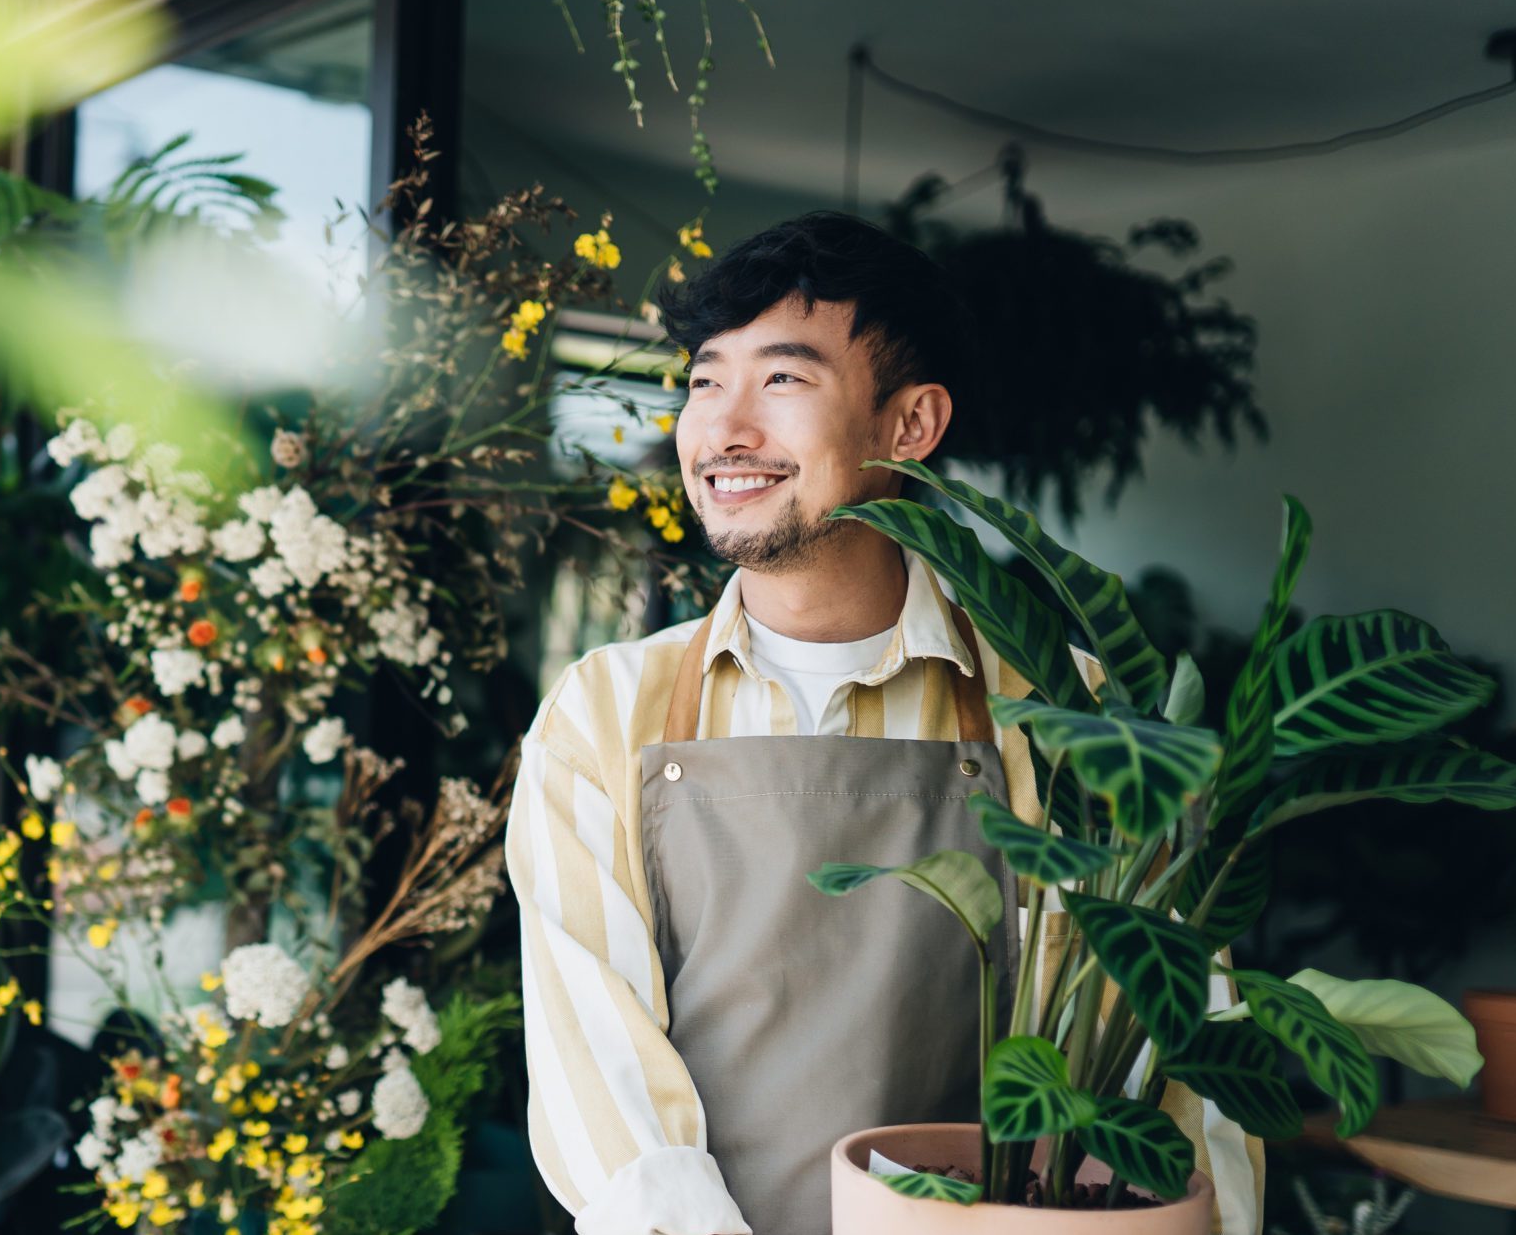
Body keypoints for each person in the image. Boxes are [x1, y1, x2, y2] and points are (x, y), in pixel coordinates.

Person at [505, 212, 1264, 1235]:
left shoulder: (1075, 715)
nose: (723, 430)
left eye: (781, 380)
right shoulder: (601, 713)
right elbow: (597, 1076)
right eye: (702, 381)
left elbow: (1187, 1076)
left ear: (908, 426)